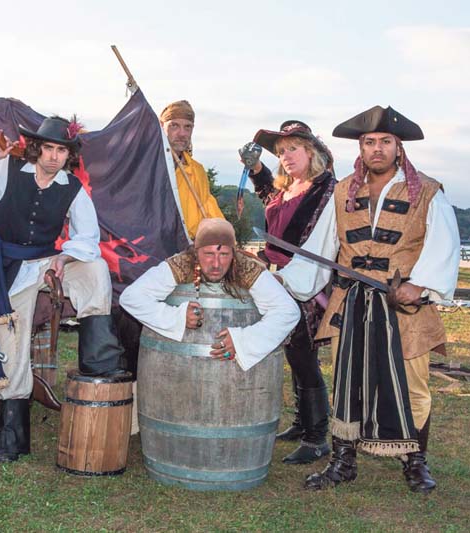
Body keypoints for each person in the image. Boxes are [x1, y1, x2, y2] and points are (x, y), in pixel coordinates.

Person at [277, 105, 460, 493]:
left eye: (385, 141)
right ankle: (343, 462)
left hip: (403, 307)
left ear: (398, 146)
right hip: (352, 305)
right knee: (348, 384)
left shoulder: (427, 191)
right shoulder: (343, 191)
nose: (377, 149)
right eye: (369, 142)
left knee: (413, 386)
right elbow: (321, 247)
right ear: (360, 148)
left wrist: (420, 285)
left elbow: (445, 244)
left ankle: (415, 462)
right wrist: (282, 280)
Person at [0, 116, 124, 462]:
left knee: (94, 269)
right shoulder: (7, 170)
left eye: (62, 150)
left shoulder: (71, 187)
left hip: (46, 262)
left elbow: (88, 237)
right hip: (6, 267)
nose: (54, 157)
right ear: (36, 148)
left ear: (69, 155)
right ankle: (12, 428)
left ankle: (98, 359)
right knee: (11, 337)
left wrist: (63, 258)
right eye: (49, 148)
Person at [238, 120, 336, 464]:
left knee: (303, 355)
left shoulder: (325, 189)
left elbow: (319, 241)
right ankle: (300, 423)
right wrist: (256, 170)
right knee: (293, 354)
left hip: (306, 280)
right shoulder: (287, 188)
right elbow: (272, 202)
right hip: (276, 278)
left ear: (312, 151)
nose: (286, 157)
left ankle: (317, 438)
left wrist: (285, 274)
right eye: (281, 152)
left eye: (293, 149)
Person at [120, 217, 299, 372]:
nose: (216, 264)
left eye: (224, 254)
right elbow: (132, 297)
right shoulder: (183, 263)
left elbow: (288, 311)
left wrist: (244, 341)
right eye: (208, 254)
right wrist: (177, 317)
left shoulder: (246, 267)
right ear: (196, 252)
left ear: (233, 254)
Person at [159, 100, 224, 239]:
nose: (182, 133)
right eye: (174, 126)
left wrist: (224, 239)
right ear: (161, 126)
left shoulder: (197, 170)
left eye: (187, 127)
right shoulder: (145, 165)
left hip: (188, 247)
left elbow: (210, 212)